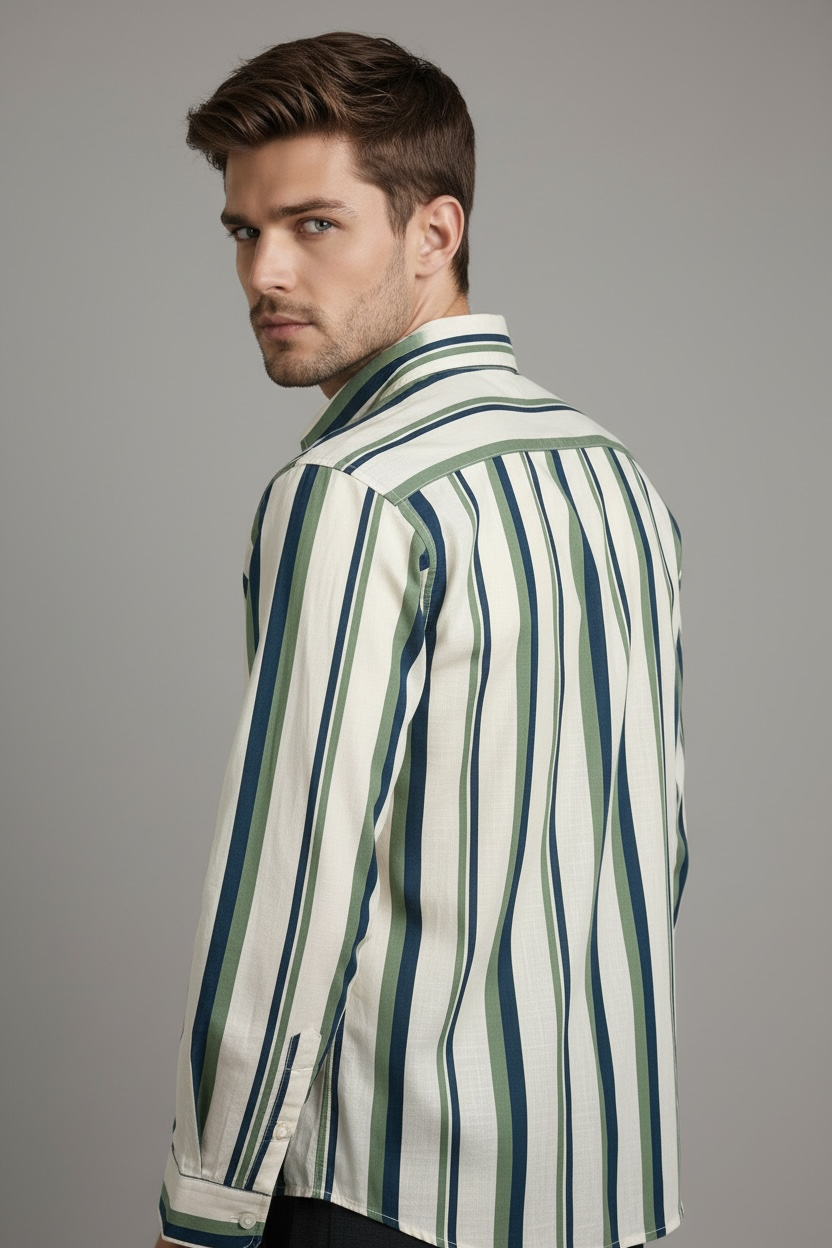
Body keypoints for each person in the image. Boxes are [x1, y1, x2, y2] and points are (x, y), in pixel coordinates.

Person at [155, 31, 687, 1248]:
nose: (263, 273)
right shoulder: (612, 474)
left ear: (434, 233)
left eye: (314, 225)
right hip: (600, 1180)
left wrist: (207, 1208)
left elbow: (286, 902)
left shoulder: (349, 491)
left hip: (384, 1193)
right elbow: (654, 844)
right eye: (243, 231)